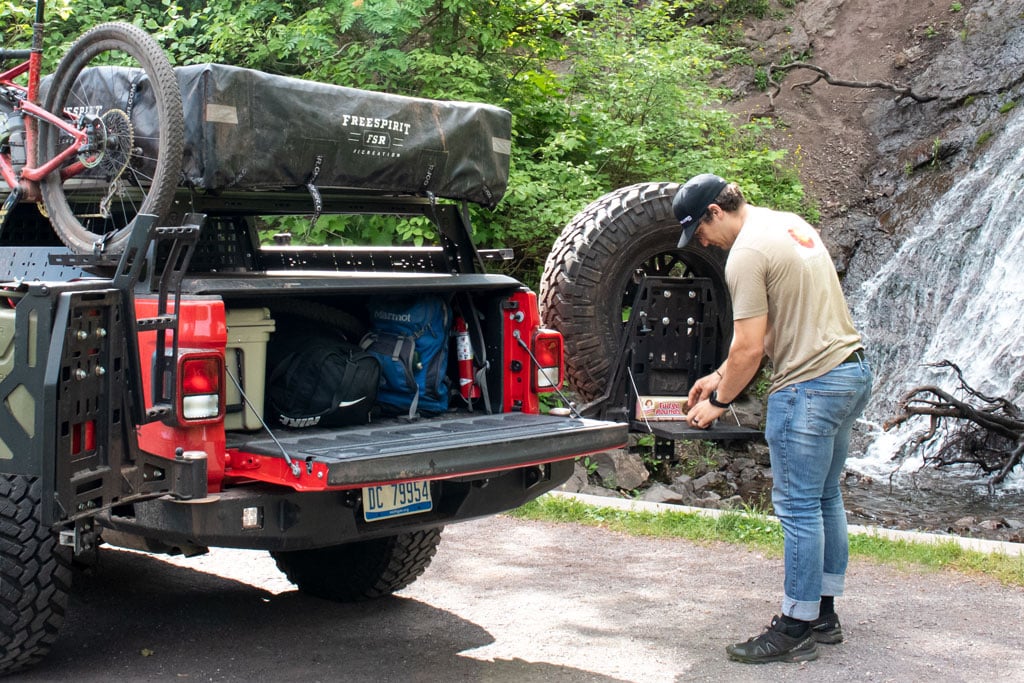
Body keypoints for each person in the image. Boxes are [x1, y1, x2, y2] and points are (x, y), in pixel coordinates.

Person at [675, 173, 873, 664]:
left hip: (809, 389)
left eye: (698, 231)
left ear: (715, 213)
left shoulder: (745, 254)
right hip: (850, 374)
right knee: (825, 496)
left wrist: (718, 402)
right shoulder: (789, 225)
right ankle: (823, 615)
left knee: (798, 507)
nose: (701, 242)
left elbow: (750, 347)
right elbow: (784, 322)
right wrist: (716, 375)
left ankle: (794, 628)